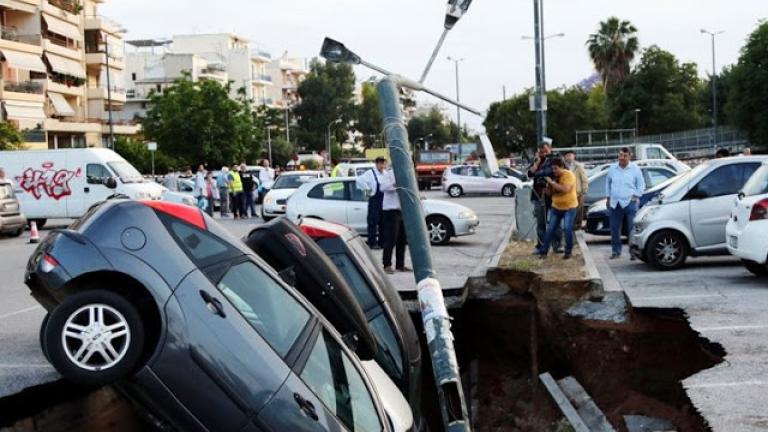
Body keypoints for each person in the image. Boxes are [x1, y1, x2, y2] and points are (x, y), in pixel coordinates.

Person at [606, 147, 646, 259]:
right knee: (614, 228)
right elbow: (608, 184)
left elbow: (641, 185)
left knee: (631, 229)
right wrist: (608, 198)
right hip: (615, 203)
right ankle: (615, 251)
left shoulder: (635, 169)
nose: (622, 158)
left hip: (630, 203)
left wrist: (636, 195)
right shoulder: (612, 168)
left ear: (629, 156)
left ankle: (633, 252)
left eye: (625, 156)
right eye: (620, 155)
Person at [535, 159, 579, 259]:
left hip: (569, 207)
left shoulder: (569, 175)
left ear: (562, 167)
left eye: (556, 168)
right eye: (552, 169)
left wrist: (552, 183)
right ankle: (543, 252)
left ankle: (568, 252)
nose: (554, 171)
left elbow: (565, 189)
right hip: (556, 207)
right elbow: (550, 193)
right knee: (550, 229)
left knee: (567, 229)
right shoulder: (552, 177)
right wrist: (544, 187)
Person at [527, 143, 562, 252]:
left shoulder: (555, 159)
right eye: (541, 152)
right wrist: (536, 163)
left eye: (545, 151)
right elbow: (529, 173)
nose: (543, 153)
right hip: (538, 196)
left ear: (550, 149)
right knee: (540, 222)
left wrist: (538, 173)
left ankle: (557, 245)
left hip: (553, 195)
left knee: (555, 221)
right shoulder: (537, 161)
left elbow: (549, 172)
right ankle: (541, 246)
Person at [379, 168, 410, 274]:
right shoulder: (389, 174)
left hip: (402, 210)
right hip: (391, 210)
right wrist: (395, 185)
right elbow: (383, 187)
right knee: (391, 238)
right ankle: (387, 264)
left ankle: (400, 264)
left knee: (402, 239)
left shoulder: (406, 173)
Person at [356, 157, 387, 249]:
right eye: (381, 164)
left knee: (383, 223)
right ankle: (372, 243)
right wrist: (368, 190)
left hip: (384, 201)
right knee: (373, 222)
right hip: (374, 201)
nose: (382, 166)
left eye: (383, 164)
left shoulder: (385, 174)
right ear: (377, 164)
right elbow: (359, 180)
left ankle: (382, 242)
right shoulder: (370, 173)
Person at [564, 151, 589, 229]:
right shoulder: (563, 166)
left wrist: (584, 190)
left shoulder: (579, 166)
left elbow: (584, 179)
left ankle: (578, 225)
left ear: (574, 156)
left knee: (579, 209)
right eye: (567, 155)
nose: (569, 157)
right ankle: (570, 224)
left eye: (570, 155)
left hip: (578, 191)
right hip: (567, 191)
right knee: (569, 209)